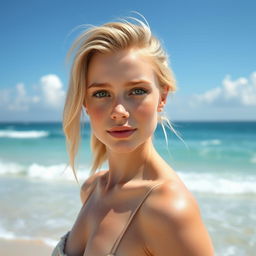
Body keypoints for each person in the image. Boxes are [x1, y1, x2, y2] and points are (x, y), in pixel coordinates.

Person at [52, 13, 215, 256]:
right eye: (101, 93)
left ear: (162, 97)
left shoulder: (168, 210)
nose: (118, 111)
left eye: (137, 90)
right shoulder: (92, 188)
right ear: (84, 103)